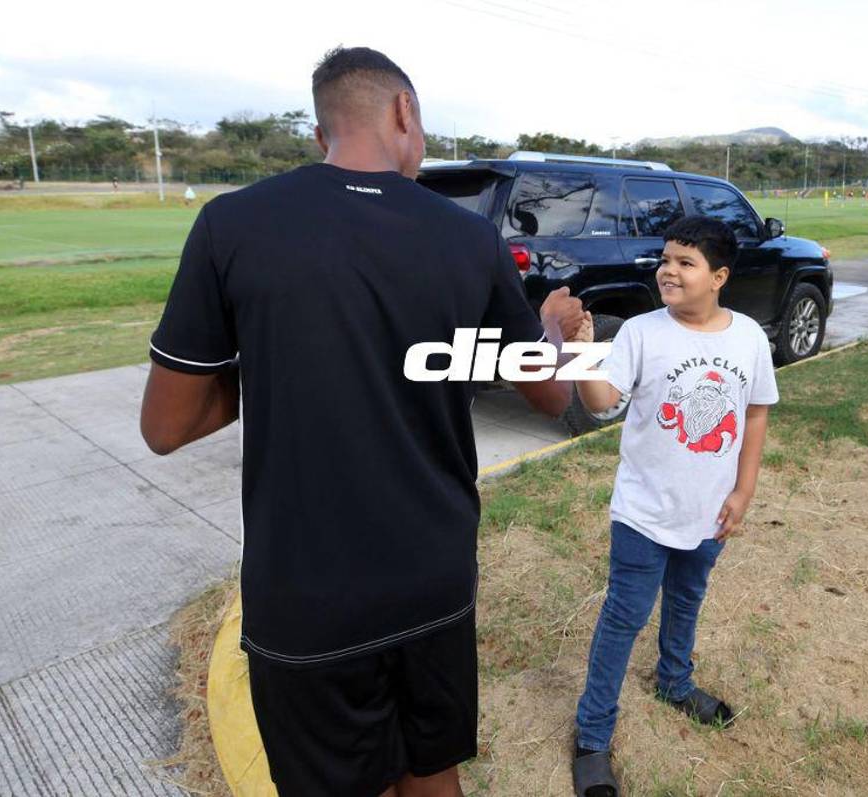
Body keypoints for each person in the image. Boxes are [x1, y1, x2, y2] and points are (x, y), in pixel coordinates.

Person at [139, 46, 584, 797]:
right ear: (404, 112)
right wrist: (552, 331)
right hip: (435, 581)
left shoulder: (233, 224)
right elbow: (546, 393)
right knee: (432, 768)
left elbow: (165, 424)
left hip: (307, 600)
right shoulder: (468, 237)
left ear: (321, 135)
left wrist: (292, 361)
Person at [568, 216, 778, 797]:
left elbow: (756, 411)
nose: (669, 270)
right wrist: (582, 354)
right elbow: (603, 403)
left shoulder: (749, 338)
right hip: (643, 511)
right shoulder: (641, 332)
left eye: (686, 262)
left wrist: (743, 491)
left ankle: (674, 682)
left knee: (687, 598)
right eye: (666, 259)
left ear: (720, 276)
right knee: (625, 617)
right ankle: (592, 736)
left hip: (710, 510)